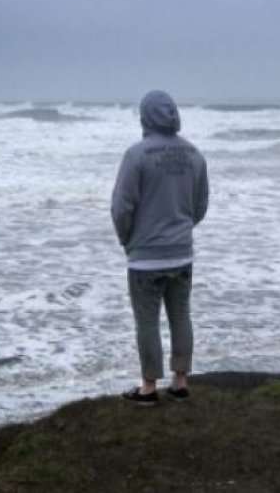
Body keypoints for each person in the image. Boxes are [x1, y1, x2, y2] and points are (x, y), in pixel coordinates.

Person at [111, 90, 209, 405]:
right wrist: (181, 230)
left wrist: (128, 240)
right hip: (181, 252)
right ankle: (181, 381)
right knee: (181, 315)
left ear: (145, 117)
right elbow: (200, 204)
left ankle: (148, 387)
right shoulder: (194, 154)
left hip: (145, 256)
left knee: (147, 321)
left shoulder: (137, 155)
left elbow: (121, 207)